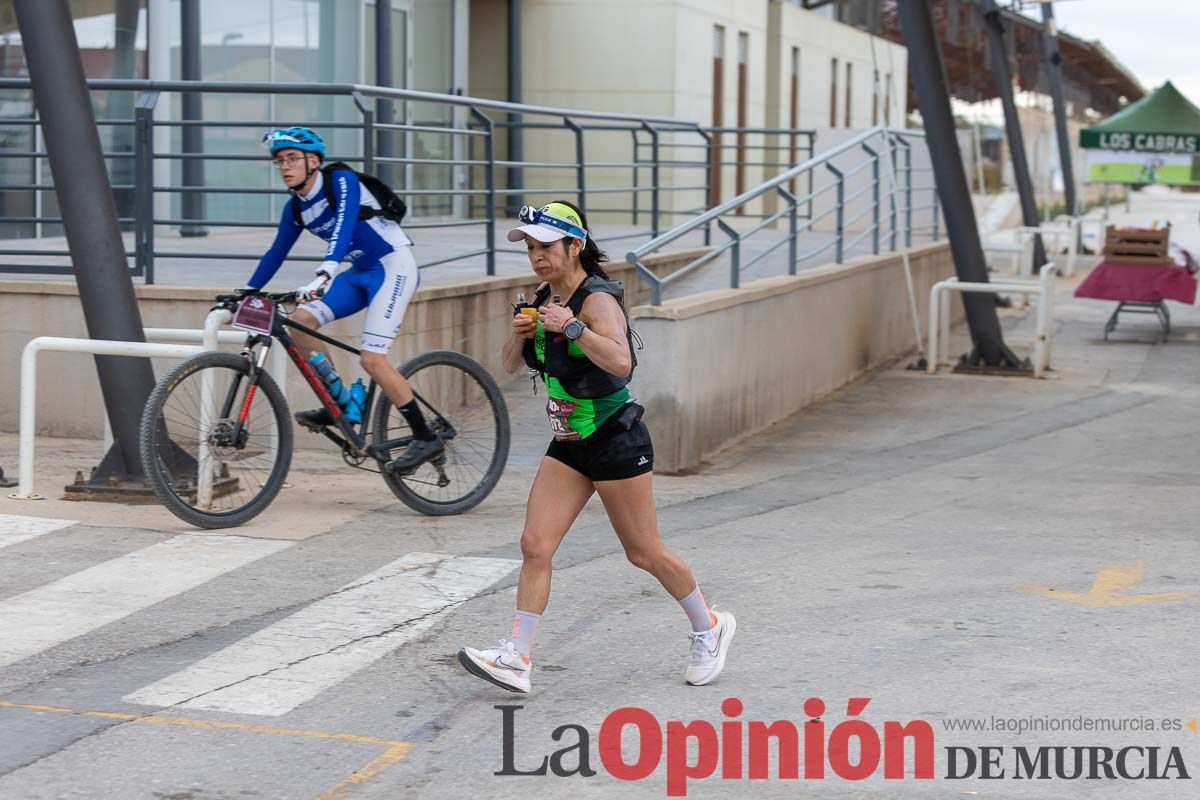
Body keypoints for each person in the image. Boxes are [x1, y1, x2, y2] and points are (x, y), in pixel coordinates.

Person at [458, 201, 735, 693]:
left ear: (574, 245)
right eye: (530, 247)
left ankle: (709, 626)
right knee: (534, 544)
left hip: (614, 438)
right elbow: (508, 365)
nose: (537, 256)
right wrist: (519, 336)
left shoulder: (596, 300)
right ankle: (517, 657)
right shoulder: (544, 298)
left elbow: (622, 362)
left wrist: (571, 327)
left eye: (547, 246)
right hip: (568, 443)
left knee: (644, 552)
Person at [246, 127, 440, 474]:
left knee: (372, 360)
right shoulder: (297, 208)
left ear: (313, 161)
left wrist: (325, 272)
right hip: (360, 271)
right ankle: (341, 401)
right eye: (279, 161)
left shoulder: (341, 181)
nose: (284, 167)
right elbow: (275, 253)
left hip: (392, 265)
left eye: (292, 158)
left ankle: (424, 436)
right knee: (302, 322)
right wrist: (245, 292)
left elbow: (345, 227)